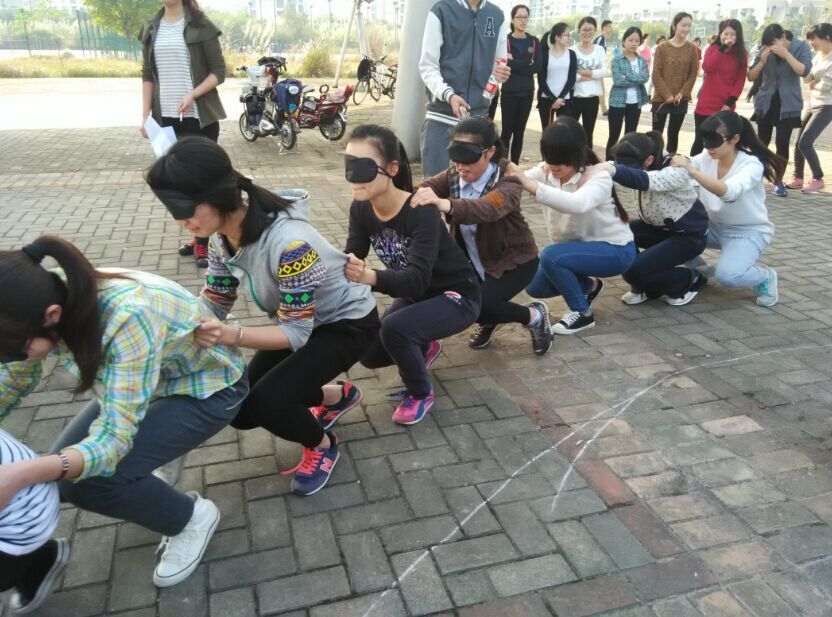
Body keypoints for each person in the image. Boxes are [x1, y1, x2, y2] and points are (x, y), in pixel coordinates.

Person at [0, 236, 249, 589]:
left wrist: (20, 474)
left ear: (52, 316)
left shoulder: (127, 314)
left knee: (88, 484)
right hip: (145, 384)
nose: (10, 359)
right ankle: (158, 451)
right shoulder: (38, 299)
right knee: (66, 472)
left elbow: (113, 441)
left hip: (210, 388)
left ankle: (192, 518)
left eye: (12, 352)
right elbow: (12, 380)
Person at [147, 137, 380, 496]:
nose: (182, 221)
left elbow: (296, 334)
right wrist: (173, 324)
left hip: (347, 325)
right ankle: (336, 396)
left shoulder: (291, 245)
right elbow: (216, 299)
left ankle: (323, 446)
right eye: (173, 210)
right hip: (300, 322)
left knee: (270, 402)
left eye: (186, 208)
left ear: (217, 196)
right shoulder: (220, 239)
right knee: (240, 408)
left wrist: (230, 334)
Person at [344, 125, 481, 424]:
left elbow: (416, 280)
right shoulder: (361, 208)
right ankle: (424, 343)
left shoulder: (420, 210)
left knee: (395, 330)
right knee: (368, 350)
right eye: (348, 166)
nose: (353, 176)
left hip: (457, 296)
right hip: (418, 297)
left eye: (363, 167)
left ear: (392, 169)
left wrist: (368, 276)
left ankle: (420, 393)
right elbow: (353, 255)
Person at [411, 118, 551, 354]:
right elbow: (422, 188)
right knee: (456, 299)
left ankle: (534, 316)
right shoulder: (453, 174)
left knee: (480, 306)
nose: (461, 166)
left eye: (469, 159)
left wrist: (445, 204)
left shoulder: (509, 179)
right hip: (475, 263)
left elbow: (487, 208)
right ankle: (489, 318)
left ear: (490, 152)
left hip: (515, 262)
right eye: (456, 158)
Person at [507, 117, 635, 334]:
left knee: (551, 256)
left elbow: (577, 204)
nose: (554, 166)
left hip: (615, 251)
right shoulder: (546, 170)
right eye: (549, 158)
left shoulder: (598, 177)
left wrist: (531, 185)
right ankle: (590, 287)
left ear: (577, 155)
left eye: (561, 161)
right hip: (578, 251)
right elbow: (516, 181)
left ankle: (582, 313)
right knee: (534, 285)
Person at [139, 0, 226, 268]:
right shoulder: (152, 28)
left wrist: (192, 94)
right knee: (177, 184)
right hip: (165, 120)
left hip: (198, 119)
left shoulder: (201, 25)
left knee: (200, 183)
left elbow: (219, 72)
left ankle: (204, 242)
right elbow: (147, 75)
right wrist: (145, 116)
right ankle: (199, 235)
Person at [670, 111, 785, 307]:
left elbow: (729, 192)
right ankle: (703, 270)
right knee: (668, 233)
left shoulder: (751, 165)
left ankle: (764, 277)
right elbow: (688, 162)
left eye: (715, 140)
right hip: (712, 227)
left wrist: (692, 171)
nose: (709, 146)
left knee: (728, 276)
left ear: (735, 139)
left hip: (747, 232)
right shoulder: (708, 155)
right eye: (705, 139)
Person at [588, 131, 709, 305]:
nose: (627, 169)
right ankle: (647, 286)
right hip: (656, 228)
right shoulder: (639, 159)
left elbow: (644, 179)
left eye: (632, 167)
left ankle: (689, 280)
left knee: (633, 271)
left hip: (688, 236)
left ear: (649, 160)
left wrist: (613, 170)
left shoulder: (676, 169)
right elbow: (612, 167)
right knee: (616, 234)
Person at [419, 0, 510, 178]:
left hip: (478, 118)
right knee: (434, 184)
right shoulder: (441, 10)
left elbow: (499, 63)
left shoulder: (497, 15)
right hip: (441, 116)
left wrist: (498, 77)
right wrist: (449, 95)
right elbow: (427, 66)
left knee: (475, 187)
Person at [0, 429, 64, 615]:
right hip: (33, 496)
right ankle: (36, 561)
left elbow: (112, 442)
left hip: (25, 518)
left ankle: (34, 561)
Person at [748, 23, 813, 196]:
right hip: (766, 102)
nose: (771, 47)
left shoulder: (801, 47)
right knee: (761, 142)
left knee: (782, 144)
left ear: (783, 37)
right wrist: (762, 61)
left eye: (774, 43)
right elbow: (751, 76)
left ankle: (777, 182)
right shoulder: (764, 50)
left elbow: (804, 71)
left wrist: (786, 54)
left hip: (788, 104)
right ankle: (755, 178)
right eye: (768, 44)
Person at [786, 23, 832, 193]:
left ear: (827, 37)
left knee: (805, 142)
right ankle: (798, 178)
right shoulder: (819, 56)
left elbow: (826, 85)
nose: (811, 42)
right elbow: (807, 77)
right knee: (798, 141)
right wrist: (812, 81)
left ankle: (818, 179)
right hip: (812, 103)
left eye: (814, 38)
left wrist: (814, 83)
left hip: (827, 105)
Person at [691, 19, 748, 156]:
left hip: (725, 105)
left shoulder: (741, 54)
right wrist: (721, 49)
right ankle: (693, 167)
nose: (728, 37)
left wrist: (731, 100)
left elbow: (740, 80)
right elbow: (707, 67)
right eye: (725, 33)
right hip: (706, 104)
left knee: (720, 143)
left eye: (732, 34)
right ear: (720, 34)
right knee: (700, 140)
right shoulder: (712, 49)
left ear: (738, 36)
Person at [498, 4, 541, 164]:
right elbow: (504, 64)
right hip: (509, 92)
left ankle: (515, 166)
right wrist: (526, 62)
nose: (523, 20)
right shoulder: (505, 41)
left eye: (526, 17)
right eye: (520, 17)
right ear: (512, 19)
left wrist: (514, 63)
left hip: (527, 93)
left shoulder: (534, 41)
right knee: (506, 132)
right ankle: (502, 167)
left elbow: (537, 66)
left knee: (519, 132)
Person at [650, 13, 699, 155]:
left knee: (673, 134)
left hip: (680, 100)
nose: (686, 28)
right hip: (661, 99)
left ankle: (670, 161)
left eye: (689, 25)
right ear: (674, 26)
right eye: (683, 25)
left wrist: (682, 93)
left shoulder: (692, 49)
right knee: (656, 135)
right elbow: (656, 74)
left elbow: (692, 74)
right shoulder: (662, 47)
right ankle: (654, 161)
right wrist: (667, 95)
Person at [606, 27, 650, 161]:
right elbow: (618, 80)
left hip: (635, 102)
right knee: (614, 135)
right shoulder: (617, 59)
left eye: (637, 41)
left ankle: (626, 163)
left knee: (630, 136)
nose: (633, 43)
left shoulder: (641, 60)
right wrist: (636, 78)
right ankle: (610, 163)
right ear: (624, 40)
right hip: (617, 102)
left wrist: (627, 76)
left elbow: (645, 77)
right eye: (630, 40)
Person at [571, 16, 609, 147]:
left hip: (592, 99)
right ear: (579, 31)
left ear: (595, 31)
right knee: (572, 133)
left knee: (588, 133)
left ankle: (587, 158)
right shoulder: (572, 51)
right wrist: (590, 75)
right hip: (575, 97)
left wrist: (586, 72)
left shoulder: (599, 50)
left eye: (590, 29)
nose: (587, 32)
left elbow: (604, 71)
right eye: (584, 29)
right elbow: (569, 74)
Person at [537, 22, 578, 129]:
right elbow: (541, 80)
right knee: (547, 132)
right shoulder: (545, 55)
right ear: (557, 37)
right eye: (567, 35)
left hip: (565, 100)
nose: (569, 38)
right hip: (546, 99)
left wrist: (560, 99)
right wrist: (553, 99)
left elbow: (571, 79)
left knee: (564, 133)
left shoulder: (572, 55)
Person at [594, 19, 614, 117]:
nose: (611, 28)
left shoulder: (604, 39)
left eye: (611, 26)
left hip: (599, 68)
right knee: (600, 89)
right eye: (609, 26)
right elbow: (594, 51)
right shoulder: (600, 39)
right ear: (604, 28)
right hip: (596, 69)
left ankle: (603, 109)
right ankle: (604, 109)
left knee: (600, 89)